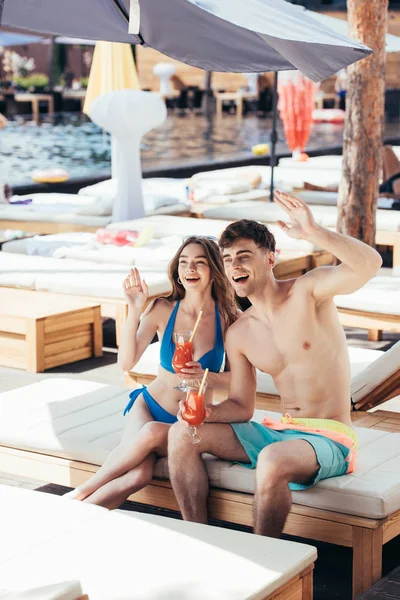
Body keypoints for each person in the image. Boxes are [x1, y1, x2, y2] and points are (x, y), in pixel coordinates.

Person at [167, 192, 382, 538]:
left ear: (270, 259)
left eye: (244, 256)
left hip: (330, 436)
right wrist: (203, 413)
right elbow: (241, 406)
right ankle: (198, 538)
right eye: (227, 259)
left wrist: (315, 232)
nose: (234, 265)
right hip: (281, 429)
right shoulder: (239, 333)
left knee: (271, 459)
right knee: (181, 434)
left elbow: (370, 265)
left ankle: (265, 558)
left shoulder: (308, 292)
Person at [65, 236, 238, 509]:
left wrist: (205, 376)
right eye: (184, 263)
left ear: (214, 270)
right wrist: (134, 309)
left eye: (199, 263)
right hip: (150, 407)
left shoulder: (228, 318)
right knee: (139, 474)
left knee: (151, 438)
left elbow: (239, 383)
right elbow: (126, 363)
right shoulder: (162, 309)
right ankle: (76, 506)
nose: (190, 269)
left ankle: (79, 495)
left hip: (190, 422)